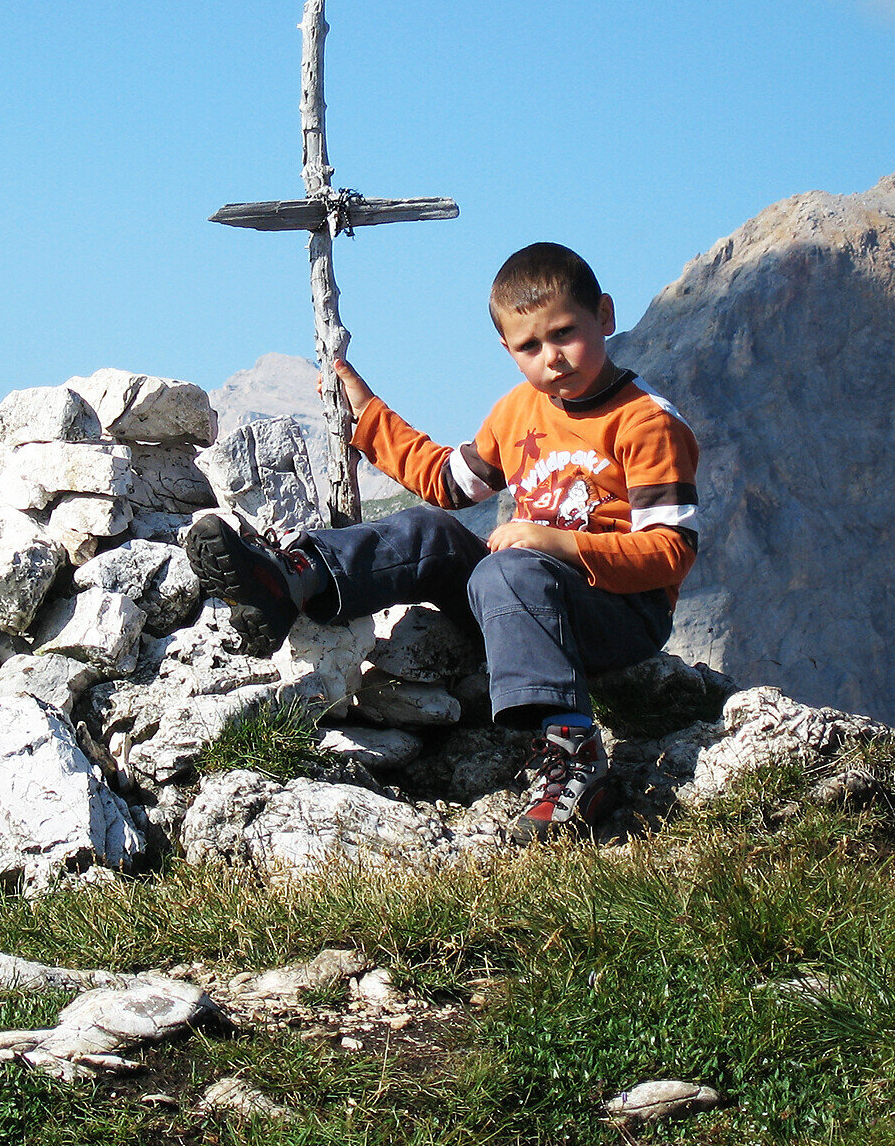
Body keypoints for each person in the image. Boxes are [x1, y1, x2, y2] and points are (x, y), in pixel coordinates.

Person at [185, 241, 699, 837]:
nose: (552, 358)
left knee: (508, 568)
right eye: (529, 346)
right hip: (522, 601)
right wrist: (368, 415)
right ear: (507, 350)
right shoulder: (518, 412)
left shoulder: (646, 422)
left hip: (620, 615)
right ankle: (293, 580)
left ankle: (573, 755)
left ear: (604, 316)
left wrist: (557, 544)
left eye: (565, 334)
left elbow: (671, 552)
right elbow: (448, 484)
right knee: (429, 530)